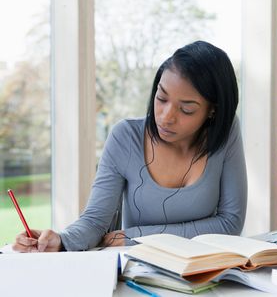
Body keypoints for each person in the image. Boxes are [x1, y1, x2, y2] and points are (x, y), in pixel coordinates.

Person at [13, 40, 247, 252]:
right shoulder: (125, 137)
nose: (166, 117)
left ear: (213, 111)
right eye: (161, 98)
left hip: (204, 271)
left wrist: (135, 236)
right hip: (139, 273)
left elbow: (230, 222)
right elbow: (95, 221)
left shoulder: (226, 133)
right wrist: (61, 240)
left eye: (186, 109)